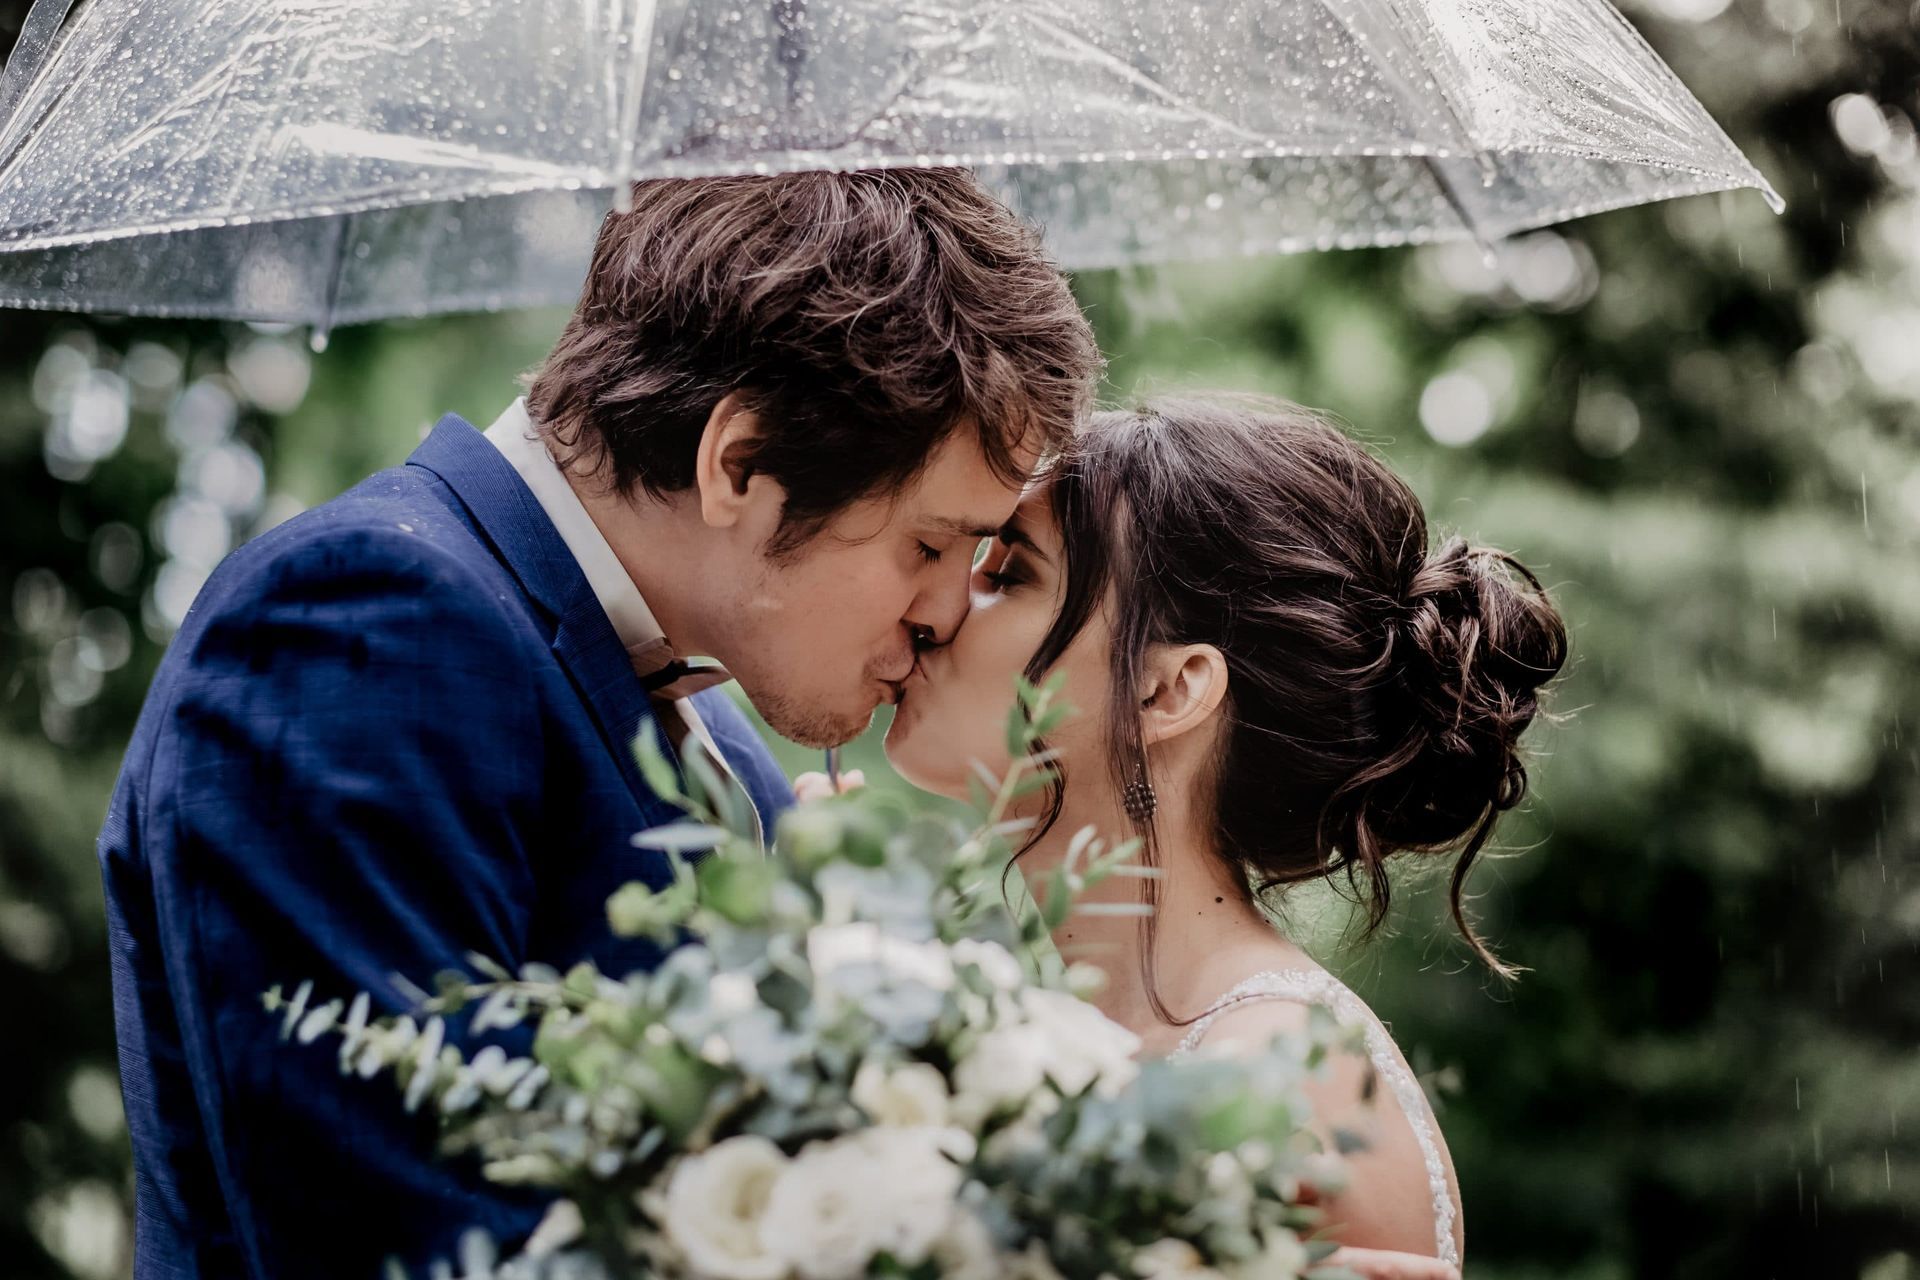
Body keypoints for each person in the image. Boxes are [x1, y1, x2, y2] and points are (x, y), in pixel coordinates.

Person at [96, 168, 1099, 1280]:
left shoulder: (721, 738)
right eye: (929, 544)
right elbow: (407, 1226)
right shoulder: (363, 621)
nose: (951, 609)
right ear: (740, 462)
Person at [876, 395, 1570, 1270]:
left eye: (1010, 574)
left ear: (1167, 692)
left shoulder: (1277, 1082)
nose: (938, 608)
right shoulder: (1033, 1028)